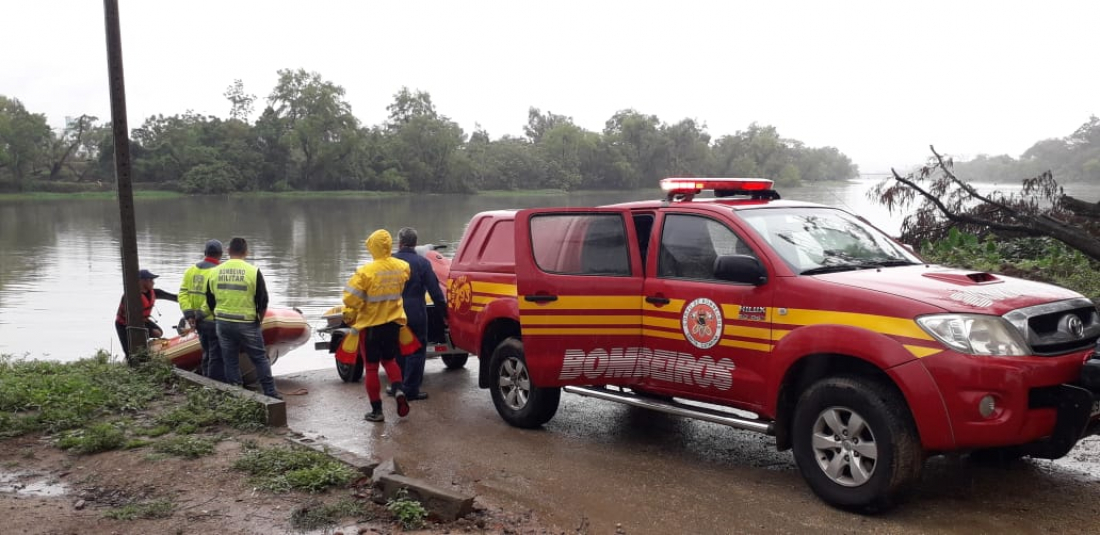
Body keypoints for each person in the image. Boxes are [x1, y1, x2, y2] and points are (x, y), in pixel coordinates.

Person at [343, 229, 411, 422]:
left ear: (372, 247)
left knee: (371, 368)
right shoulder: (403, 266)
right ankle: (398, 390)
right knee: (390, 361)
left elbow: (349, 298)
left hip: (371, 327)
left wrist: (361, 303)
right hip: (393, 324)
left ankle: (377, 411)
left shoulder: (365, 272)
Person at [205, 237, 280, 399]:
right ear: (246, 252)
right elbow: (263, 300)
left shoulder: (215, 271)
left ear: (228, 251)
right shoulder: (253, 271)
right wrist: (258, 321)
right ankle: (271, 393)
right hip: (247, 323)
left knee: (230, 360)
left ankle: (236, 394)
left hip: (223, 323)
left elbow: (210, 299)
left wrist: (218, 317)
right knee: (260, 358)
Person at [391, 227, 447, 401]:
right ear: (415, 243)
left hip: (393, 312)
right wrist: (444, 313)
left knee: (398, 350)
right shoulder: (422, 263)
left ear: (399, 243)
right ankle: (411, 390)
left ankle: (398, 387)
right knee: (416, 350)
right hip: (416, 312)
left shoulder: (389, 262)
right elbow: (436, 293)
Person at [179, 239, 224, 380]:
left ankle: (206, 382)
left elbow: (183, 293)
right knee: (216, 356)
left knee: (206, 353)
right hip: (214, 320)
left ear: (205, 253)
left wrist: (189, 314)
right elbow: (216, 297)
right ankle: (214, 386)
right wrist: (200, 313)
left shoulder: (191, 270)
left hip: (198, 322)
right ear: (220, 254)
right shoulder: (220, 272)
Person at [114, 269, 177, 360]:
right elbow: (131, 319)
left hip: (142, 320)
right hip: (124, 325)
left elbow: (173, 297)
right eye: (150, 280)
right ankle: (132, 360)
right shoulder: (130, 296)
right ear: (141, 281)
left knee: (158, 332)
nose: (153, 283)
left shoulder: (154, 292)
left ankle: (147, 349)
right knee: (130, 354)